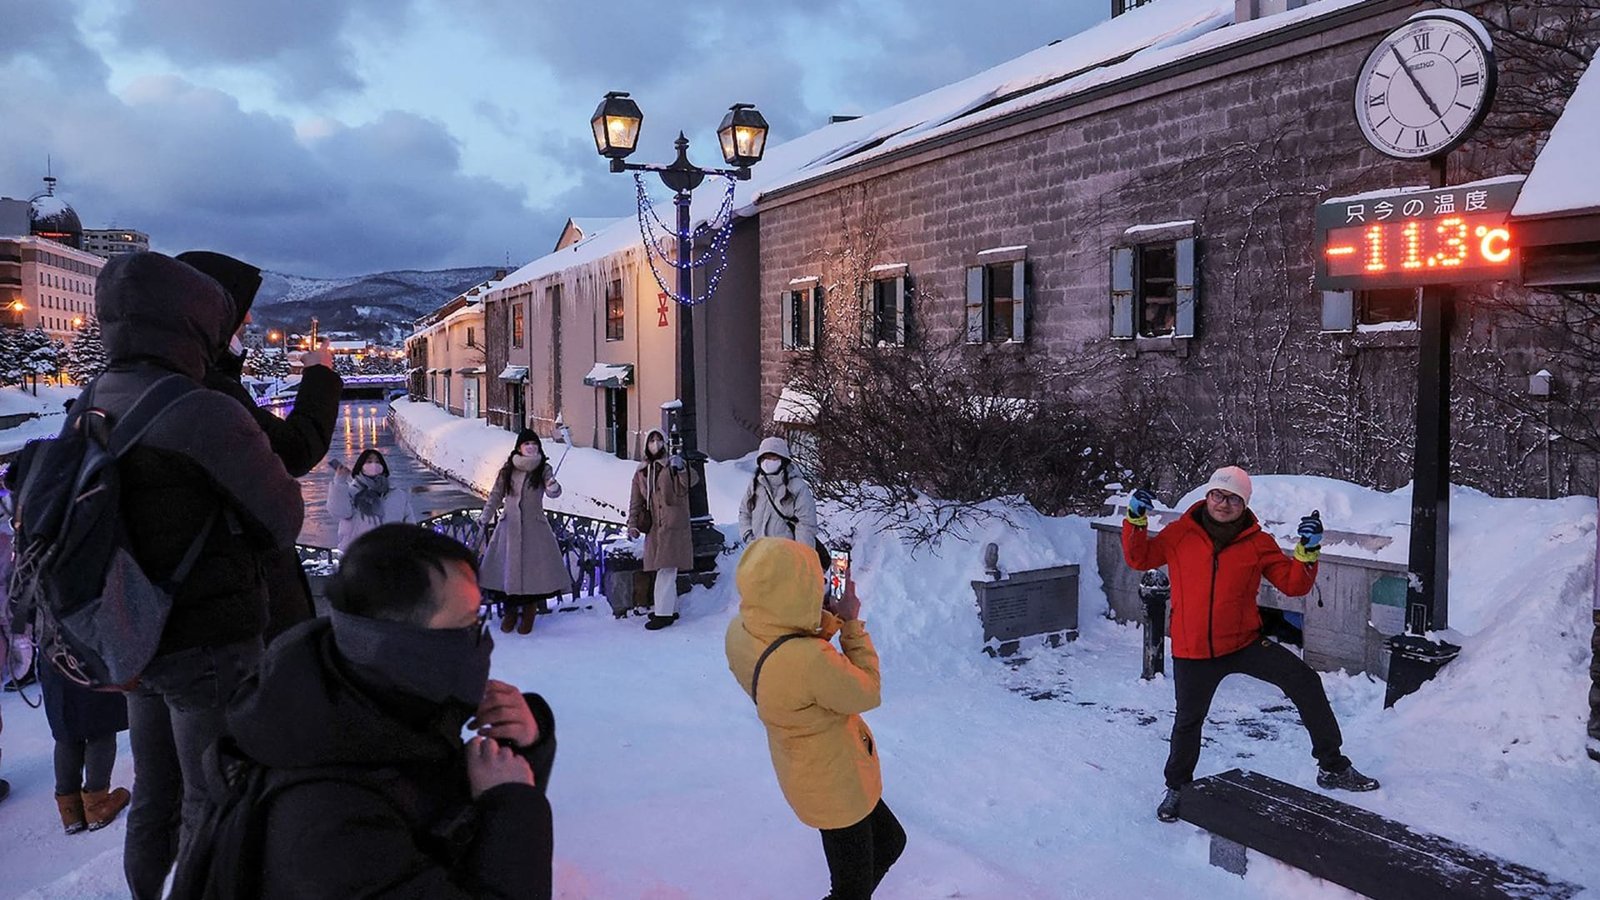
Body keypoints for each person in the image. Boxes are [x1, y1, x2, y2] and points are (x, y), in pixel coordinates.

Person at [87, 252, 305, 899]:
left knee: (155, 790)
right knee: (212, 800)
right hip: (205, 640)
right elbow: (283, 520)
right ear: (191, 321)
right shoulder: (203, 409)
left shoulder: (92, 399)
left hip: (130, 634)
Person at [220, 523, 554, 898]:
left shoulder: (382, 714)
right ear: (406, 647)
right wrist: (513, 804)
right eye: (468, 624)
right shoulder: (331, 823)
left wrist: (522, 745)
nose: (481, 640)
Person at [1121, 465, 1380, 824]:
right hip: (1193, 648)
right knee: (1188, 721)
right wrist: (1135, 520)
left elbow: (1294, 586)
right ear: (1207, 496)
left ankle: (1333, 766)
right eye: (1217, 494)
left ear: (1244, 504)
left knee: (1304, 680)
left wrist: (1307, 552)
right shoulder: (1181, 533)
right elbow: (1140, 558)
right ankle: (1178, 788)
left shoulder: (1258, 543)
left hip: (1243, 642)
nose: (1223, 503)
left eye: (1233, 498)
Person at [725, 537, 904, 899]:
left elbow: (790, 656)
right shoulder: (808, 661)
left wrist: (821, 619)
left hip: (805, 772)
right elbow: (867, 690)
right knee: (852, 889)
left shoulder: (742, 632)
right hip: (836, 785)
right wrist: (850, 623)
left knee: (890, 841)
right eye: (813, 582)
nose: (822, 584)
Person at [178, 250, 342, 641]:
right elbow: (295, 450)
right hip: (232, 619)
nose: (248, 319)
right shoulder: (209, 392)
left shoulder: (159, 380)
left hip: (190, 617)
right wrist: (319, 376)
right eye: (241, 309)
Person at [479, 430, 568, 635]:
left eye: (534, 444)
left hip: (534, 529)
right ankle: (510, 613)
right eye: (526, 443)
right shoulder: (508, 470)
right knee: (508, 574)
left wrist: (553, 486)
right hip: (508, 528)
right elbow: (495, 495)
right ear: (519, 447)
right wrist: (485, 516)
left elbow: (554, 491)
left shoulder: (543, 468)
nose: (530, 447)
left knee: (532, 575)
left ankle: (529, 612)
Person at [628, 428, 698, 631]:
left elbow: (690, 482)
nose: (656, 444)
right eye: (652, 440)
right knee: (664, 567)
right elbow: (636, 500)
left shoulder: (673, 464)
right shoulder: (642, 471)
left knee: (666, 569)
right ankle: (670, 608)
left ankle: (663, 613)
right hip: (654, 526)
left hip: (673, 524)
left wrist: (682, 467)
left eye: (659, 440)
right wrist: (632, 524)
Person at [327, 448, 416, 551]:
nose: (373, 465)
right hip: (357, 556)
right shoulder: (351, 492)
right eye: (369, 461)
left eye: (378, 462)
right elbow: (340, 511)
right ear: (360, 466)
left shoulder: (397, 495)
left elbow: (410, 526)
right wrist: (339, 481)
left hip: (392, 555)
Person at [739, 436, 819, 548]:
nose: (768, 462)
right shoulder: (755, 485)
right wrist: (748, 536)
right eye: (765, 458)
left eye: (773, 457)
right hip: (759, 554)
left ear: (783, 460)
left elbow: (806, 525)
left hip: (786, 557)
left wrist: (801, 555)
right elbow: (744, 512)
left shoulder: (797, 488)